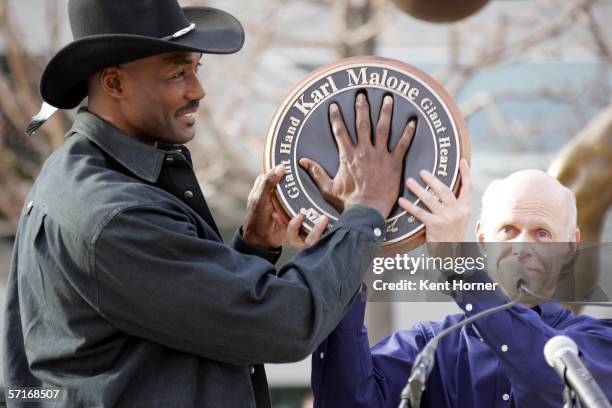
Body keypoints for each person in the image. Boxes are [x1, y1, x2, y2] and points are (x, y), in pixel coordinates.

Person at [2, 1, 417, 407]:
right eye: (178, 73)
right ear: (114, 83)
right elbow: (284, 323)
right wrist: (366, 208)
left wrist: (253, 249)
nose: (198, 90)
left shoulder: (81, 178)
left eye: (196, 69)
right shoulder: (111, 213)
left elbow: (184, 324)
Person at [311, 169, 612, 407]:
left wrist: (459, 267)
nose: (522, 246)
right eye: (507, 230)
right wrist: (345, 264)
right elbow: (346, 401)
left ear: (571, 246)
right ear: (481, 238)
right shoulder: (430, 346)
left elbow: (548, 383)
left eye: (542, 233)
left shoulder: (598, 341)